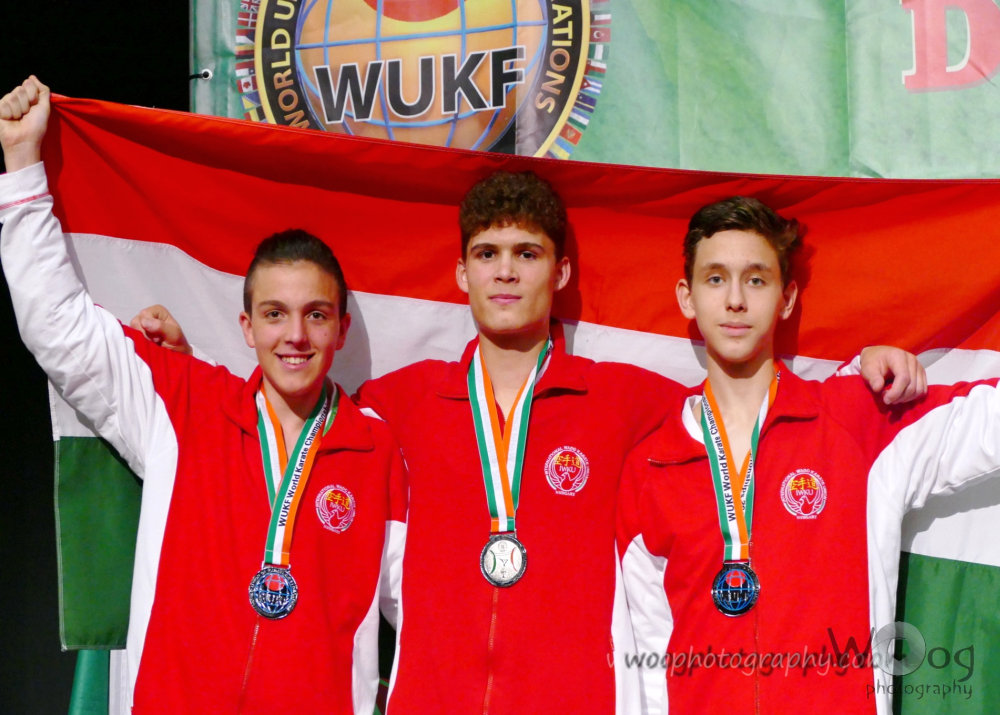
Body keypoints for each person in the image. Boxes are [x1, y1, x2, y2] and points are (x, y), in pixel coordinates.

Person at [134, 173, 926, 711]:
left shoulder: (629, 403)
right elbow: (290, 393)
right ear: (461, 274)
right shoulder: (395, 405)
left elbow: (740, 400)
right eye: (487, 254)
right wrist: (188, 353)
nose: (506, 273)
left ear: (562, 271)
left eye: (527, 254)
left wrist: (858, 367)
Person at [0, 77, 405, 714]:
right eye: (274, 314)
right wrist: (23, 164)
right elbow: (58, 326)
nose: (295, 336)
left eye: (316, 315)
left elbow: (427, 611)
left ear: (342, 329)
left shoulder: (379, 450)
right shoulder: (183, 403)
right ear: (247, 327)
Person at [617, 196, 1000, 714]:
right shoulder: (650, 466)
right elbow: (648, 661)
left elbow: (987, 423)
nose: (735, 300)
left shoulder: (857, 421)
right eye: (715, 279)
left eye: (756, 280)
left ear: (787, 298)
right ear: (688, 297)